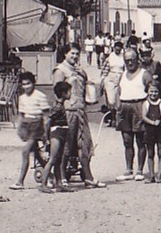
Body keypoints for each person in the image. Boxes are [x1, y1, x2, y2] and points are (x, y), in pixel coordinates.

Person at [52, 43, 103, 188]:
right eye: (72, 53)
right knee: (66, 146)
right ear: (65, 54)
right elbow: (57, 92)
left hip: (80, 110)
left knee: (84, 145)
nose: (74, 56)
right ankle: (62, 177)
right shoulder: (60, 70)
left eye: (76, 54)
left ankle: (88, 177)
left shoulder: (78, 70)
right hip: (68, 111)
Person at [10, 71, 54, 192]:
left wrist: (45, 132)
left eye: (28, 84)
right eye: (23, 84)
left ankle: (20, 181)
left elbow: (46, 116)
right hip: (27, 125)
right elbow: (21, 114)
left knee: (25, 152)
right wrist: (20, 128)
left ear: (33, 83)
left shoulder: (40, 96)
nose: (26, 87)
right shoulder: (22, 98)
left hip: (37, 125)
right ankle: (50, 176)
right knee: (37, 155)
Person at [113, 46, 150, 181]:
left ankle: (139, 170)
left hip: (138, 106)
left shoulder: (144, 74)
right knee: (127, 141)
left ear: (137, 60)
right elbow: (118, 90)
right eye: (127, 60)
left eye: (132, 60)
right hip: (124, 108)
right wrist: (117, 105)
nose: (130, 63)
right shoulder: (123, 74)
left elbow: (153, 92)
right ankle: (129, 170)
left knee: (140, 141)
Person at [140, 78, 161, 183]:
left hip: (160, 131)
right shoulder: (146, 103)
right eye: (151, 91)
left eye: (156, 91)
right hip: (149, 130)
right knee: (150, 153)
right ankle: (151, 175)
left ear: (160, 92)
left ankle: (159, 175)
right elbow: (144, 116)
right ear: (148, 91)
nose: (153, 94)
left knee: (160, 152)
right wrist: (152, 122)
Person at [46, 81, 73, 190]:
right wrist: (46, 138)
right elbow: (48, 121)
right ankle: (44, 184)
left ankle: (59, 184)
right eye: (69, 92)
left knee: (58, 160)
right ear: (63, 93)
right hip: (56, 133)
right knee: (52, 160)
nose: (71, 94)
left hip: (61, 133)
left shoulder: (61, 105)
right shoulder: (57, 106)